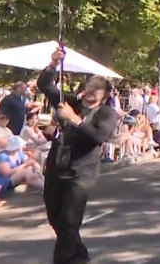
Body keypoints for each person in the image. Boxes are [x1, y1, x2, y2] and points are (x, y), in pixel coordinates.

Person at [37, 48, 117, 264]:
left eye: (98, 89)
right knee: (56, 218)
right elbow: (45, 86)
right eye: (90, 86)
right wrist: (53, 63)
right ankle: (79, 255)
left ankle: (65, 261)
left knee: (70, 221)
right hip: (56, 166)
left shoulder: (106, 114)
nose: (92, 91)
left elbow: (99, 137)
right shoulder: (70, 102)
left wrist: (75, 120)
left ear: (105, 95)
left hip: (82, 173)